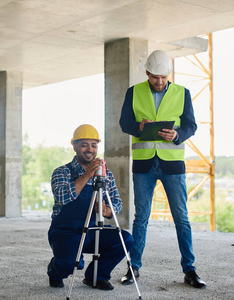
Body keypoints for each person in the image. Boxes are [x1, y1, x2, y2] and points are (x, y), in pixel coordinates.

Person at [119, 50, 206, 288]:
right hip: (144, 163)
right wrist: (139, 126)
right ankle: (133, 267)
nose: (159, 82)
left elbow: (191, 125)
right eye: (155, 77)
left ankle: (190, 270)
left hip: (172, 163)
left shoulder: (182, 93)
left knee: (182, 218)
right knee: (141, 218)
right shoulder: (134, 92)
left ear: (169, 74)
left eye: (164, 77)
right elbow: (124, 123)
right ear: (147, 73)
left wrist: (178, 134)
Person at [47, 124, 134, 291]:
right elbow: (62, 196)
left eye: (94, 145)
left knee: (125, 239)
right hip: (66, 231)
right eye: (84, 144)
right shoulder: (62, 172)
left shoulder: (105, 174)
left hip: (93, 230)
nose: (90, 149)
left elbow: (116, 201)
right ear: (74, 146)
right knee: (70, 263)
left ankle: (96, 276)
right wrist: (88, 174)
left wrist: (108, 210)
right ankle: (55, 271)